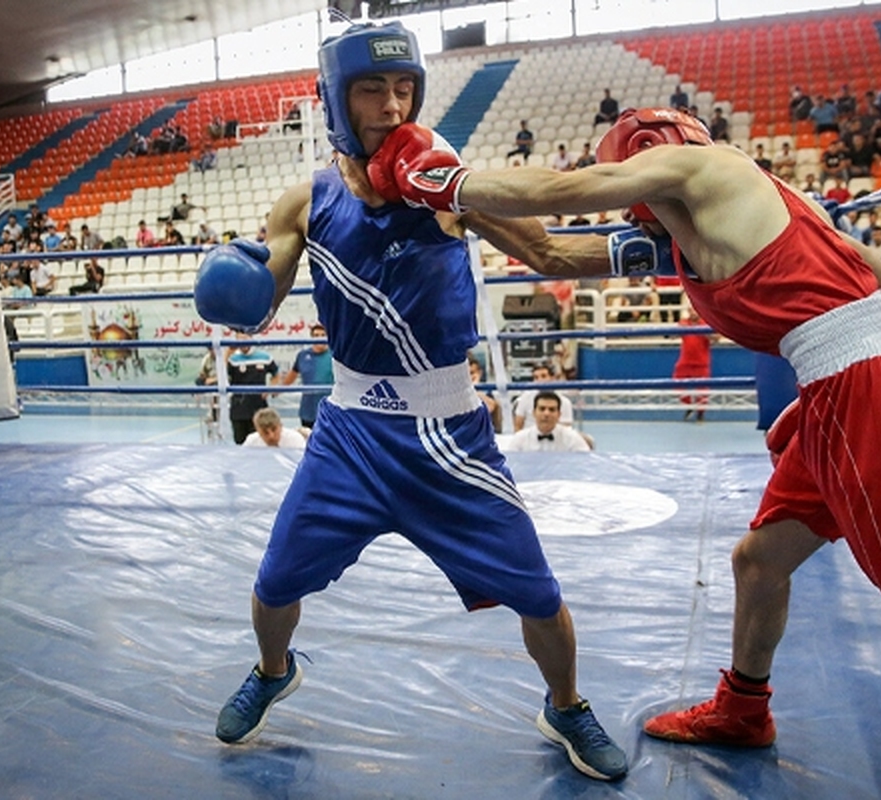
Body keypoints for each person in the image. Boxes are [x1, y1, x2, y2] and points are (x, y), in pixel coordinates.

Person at [367, 106, 881, 796]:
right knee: (759, 561)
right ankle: (744, 709)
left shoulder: (711, 167)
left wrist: (448, 178)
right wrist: (452, 208)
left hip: (861, 398)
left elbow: (576, 186)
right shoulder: (725, 223)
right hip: (845, 390)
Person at [192, 21, 626, 782]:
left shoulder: (442, 180)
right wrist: (238, 276)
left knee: (538, 591)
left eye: (404, 89)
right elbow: (266, 296)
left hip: (449, 432)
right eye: (372, 89)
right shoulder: (306, 201)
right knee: (273, 586)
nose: (393, 106)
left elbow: (550, 252)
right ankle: (272, 672)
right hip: (350, 434)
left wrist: (643, 250)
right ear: (335, 99)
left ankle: (565, 705)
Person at [226, 333, 279, 446]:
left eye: (245, 339)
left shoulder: (265, 357)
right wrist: (228, 352)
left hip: (259, 408)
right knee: (240, 443)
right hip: (238, 407)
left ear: (251, 338)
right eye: (239, 340)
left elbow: (276, 374)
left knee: (261, 442)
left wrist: (271, 388)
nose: (243, 343)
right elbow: (221, 374)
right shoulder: (232, 359)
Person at [280, 322, 333, 428]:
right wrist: (277, 390)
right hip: (308, 410)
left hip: (329, 409)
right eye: (316, 335)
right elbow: (292, 375)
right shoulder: (302, 355)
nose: (320, 338)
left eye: (323, 335)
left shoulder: (335, 355)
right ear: (311, 338)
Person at [499, 391, 590, 452]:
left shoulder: (572, 438)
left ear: (559, 415)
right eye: (542, 409)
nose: (546, 414)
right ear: (534, 413)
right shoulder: (520, 439)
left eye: (552, 409)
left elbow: (585, 463)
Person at [673, 305, 711, 422]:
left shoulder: (706, 323)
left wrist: (704, 332)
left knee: (702, 390)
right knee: (677, 382)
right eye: (691, 310)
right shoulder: (684, 322)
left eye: (695, 310)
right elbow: (674, 334)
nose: (693, 312)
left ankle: (700, 413)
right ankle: (688, 405)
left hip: (701, 362)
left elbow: (716, 338)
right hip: (685, 361)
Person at [513, 362, 575, 431]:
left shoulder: (565, 402)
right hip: (528, 439)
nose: (539, 380)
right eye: (536, 377)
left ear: (553, 378)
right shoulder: (526, 397)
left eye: (543, 376)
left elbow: (566, 430)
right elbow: (518, 426)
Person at [467, 352, 502, 433]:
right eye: (467, 374)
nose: (470, 377)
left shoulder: (491, 392)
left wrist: (474, 390)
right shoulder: (458, 393)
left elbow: (491, 407)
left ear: (479, 373)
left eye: (472, 373)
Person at [243, 408, 308, 450]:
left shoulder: (295, 439)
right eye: (265, 432)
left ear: (281, 426)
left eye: (274, 430)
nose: (271, 436)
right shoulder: (251, 442)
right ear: (258, 431)